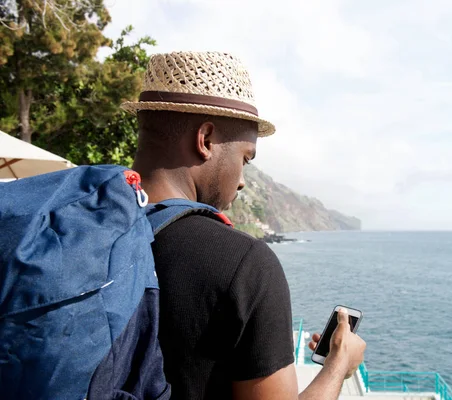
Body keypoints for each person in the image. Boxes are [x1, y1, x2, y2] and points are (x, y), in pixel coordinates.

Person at [122, 51, 366, 400]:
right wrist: (338, 364)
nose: (241, 181)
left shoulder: (78, 223)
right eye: (245, 159)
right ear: (205, 140)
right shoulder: (245, 264)